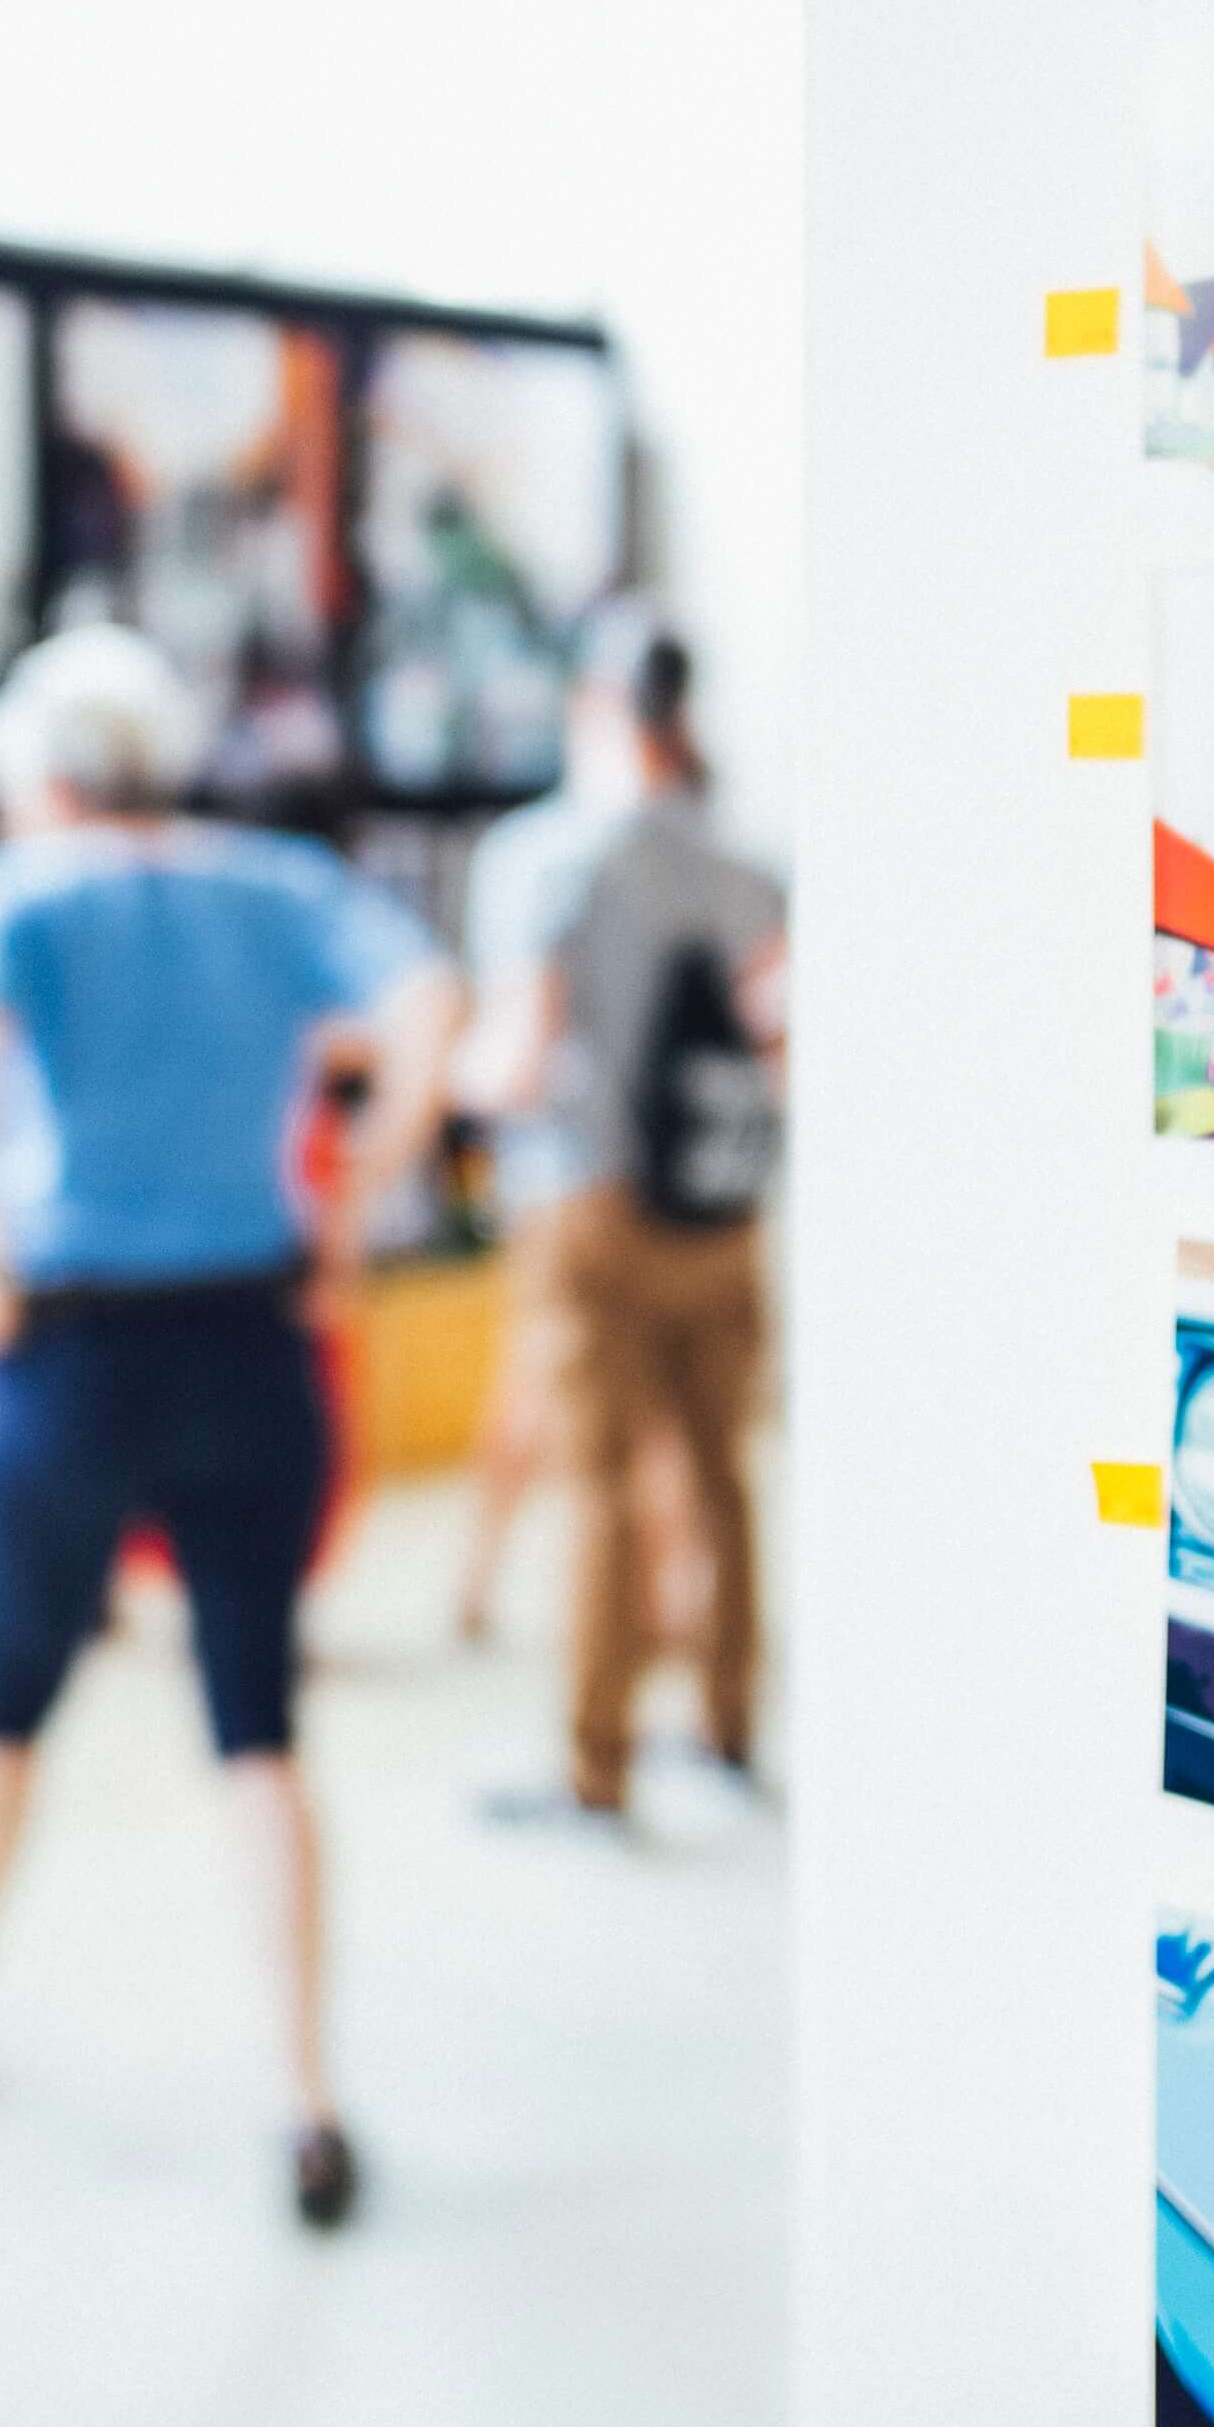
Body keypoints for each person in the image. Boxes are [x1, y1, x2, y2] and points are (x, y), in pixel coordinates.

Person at [0, 624, 459, 2231]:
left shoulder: (20, 896)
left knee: (10, 1703)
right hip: (254, 1342)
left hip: (73, 1353)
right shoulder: (272, 886)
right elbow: (433, 1008)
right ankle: (310, 2103)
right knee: (258, 1725)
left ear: (38, 777)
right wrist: (356, 1202)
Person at [454, 602, 786, 1829]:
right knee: (720, 1473)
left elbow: (522, 1052)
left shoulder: (542, 859)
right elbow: (779, 1039)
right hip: (723, 1207)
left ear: (593, 709)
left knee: (596, 1484)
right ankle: (728, 1727)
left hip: (586, 1205)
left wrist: (456, 1078)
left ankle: (596, 1765)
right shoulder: (749, 867)